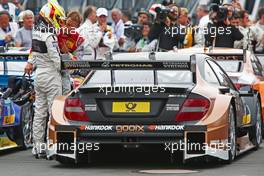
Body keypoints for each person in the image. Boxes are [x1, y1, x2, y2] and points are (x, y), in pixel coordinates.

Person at [24, 0, 65, 158]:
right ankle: (51, 147)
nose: (60, 22)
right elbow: (57, 60)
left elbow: (33, 53)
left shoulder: (36, 31)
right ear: (51, 16)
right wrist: (72, 67)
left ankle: (37, 147)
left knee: (40, 112)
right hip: (51, 75)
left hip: (39, 75)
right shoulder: (50, 35)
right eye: (58, 18)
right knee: (53, 112)